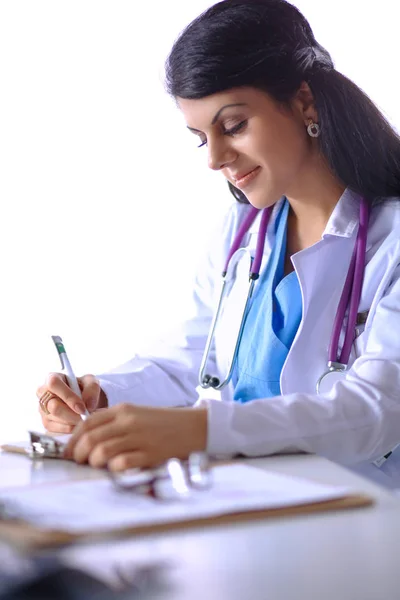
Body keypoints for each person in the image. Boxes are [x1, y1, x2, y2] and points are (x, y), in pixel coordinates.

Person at [36, 0, 400, 487]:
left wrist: (202, 429)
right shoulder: (241, 234)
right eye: (202, 137)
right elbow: (197, 360)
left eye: (233, 126)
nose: (216, 159)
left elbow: (376, 411)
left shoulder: (390, 239)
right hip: (246, 506)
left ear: (304, 101)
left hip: (363, 524)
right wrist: (102, 396)